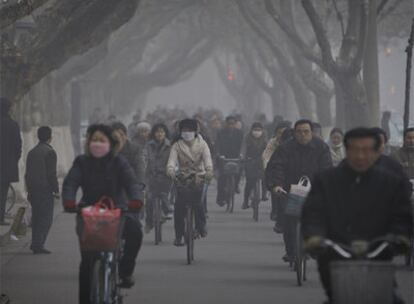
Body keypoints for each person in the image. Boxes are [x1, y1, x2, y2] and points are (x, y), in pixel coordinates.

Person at [301, 128, 412, 304]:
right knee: (337, 296)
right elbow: (313, 213)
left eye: (367, 150)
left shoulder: (391, 182)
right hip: (335, 254)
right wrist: (315, 237)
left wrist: (400, 236)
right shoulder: (326, 180)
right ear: (346, 150)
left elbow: (402, 215)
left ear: (377, 152)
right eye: (355, 150)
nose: (360, 156)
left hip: (378, 253)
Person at [62, 124, 144, 303]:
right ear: (88, 142)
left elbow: (131, 183)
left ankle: (124, 272)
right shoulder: (81, 162)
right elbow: (71, 183)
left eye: (102, 140)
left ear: (110, 143)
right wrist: (69, 201)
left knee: (135, 232)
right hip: (89, 212)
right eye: (94, 140)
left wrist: (135, 200)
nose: (97, 144)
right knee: (87, 262)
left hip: (118, 211)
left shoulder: (119, 162)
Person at [265, 119, 332, 262]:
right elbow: (277, 167)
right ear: (294, 133)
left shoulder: (321, 148)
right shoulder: (285, 148)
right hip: (290, 190)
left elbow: (326, 169)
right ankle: (291, 252)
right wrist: (277, 185)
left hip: (314, 191)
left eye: (306, 132)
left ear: (312, 132)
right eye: (299, 132)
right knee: (288, 223)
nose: (303, 135)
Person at [166, 119, 213, 246]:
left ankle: (200, 227)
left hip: (200, 175)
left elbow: (207, 159)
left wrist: (209, 171)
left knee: (199, 202)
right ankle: (179, 235)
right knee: (179, 207)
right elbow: (172, 161)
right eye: (184, 130)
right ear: (180, 131)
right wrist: (170, 170)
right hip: (182, 176)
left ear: (195, 131)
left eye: (190, 130)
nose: (187, 133)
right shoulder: (176, 145)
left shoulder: (203, 145)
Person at [25, 126, 59, 254]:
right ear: (50, 137)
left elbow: (27, 174)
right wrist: (56, 190)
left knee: (37, 217)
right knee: (45, 218)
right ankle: (39, 244)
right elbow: (51, 174)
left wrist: (28, 190)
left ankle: (35, 243)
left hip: (33, 189)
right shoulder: (50, 152)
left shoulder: (32, 152)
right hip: (45, 190)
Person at [145, 123, 173, 233]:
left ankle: (167, 210)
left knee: (163, 194)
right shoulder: (148, 146)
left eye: (162, 132)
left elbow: (174, 160)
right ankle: (149, 222)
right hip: (151, 175)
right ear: (154, 133)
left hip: (166, 176)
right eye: (157, 132)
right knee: (149, 198)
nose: (159, 134)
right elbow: (144, 158)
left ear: (165, 133)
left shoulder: (170, 146)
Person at [0, 97, 22, 226]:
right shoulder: (12, 125)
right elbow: (18, 146)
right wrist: (14, 160)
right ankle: (0, 218)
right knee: (2, 193)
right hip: (6, 166)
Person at [215, 116, 244, 206]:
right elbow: (217, 145)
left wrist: (241, 154)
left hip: (236, 157)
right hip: (223, 157)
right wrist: (219, 154)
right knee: (222, 179)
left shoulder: (240, 133)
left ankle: (235, 186)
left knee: (239, 172)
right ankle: (220, 199)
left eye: (232, 123)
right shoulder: (220, 133)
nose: (231, 125)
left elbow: (243, 145)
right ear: (226, 123)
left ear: (235, 124)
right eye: (229, 123)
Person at [242, 122, 267, 209]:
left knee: (265, 176)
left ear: (262, 131)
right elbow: (243, 149)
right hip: (249, 160)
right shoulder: (247, 138)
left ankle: (264, 194)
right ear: (252, 130)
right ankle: (245, 201)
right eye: (255, 130)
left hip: (261, 160)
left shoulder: (264, 139)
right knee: (249, 182)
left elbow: (267, 150)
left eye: (259, 130)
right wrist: (243, 157)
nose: (257, 132)